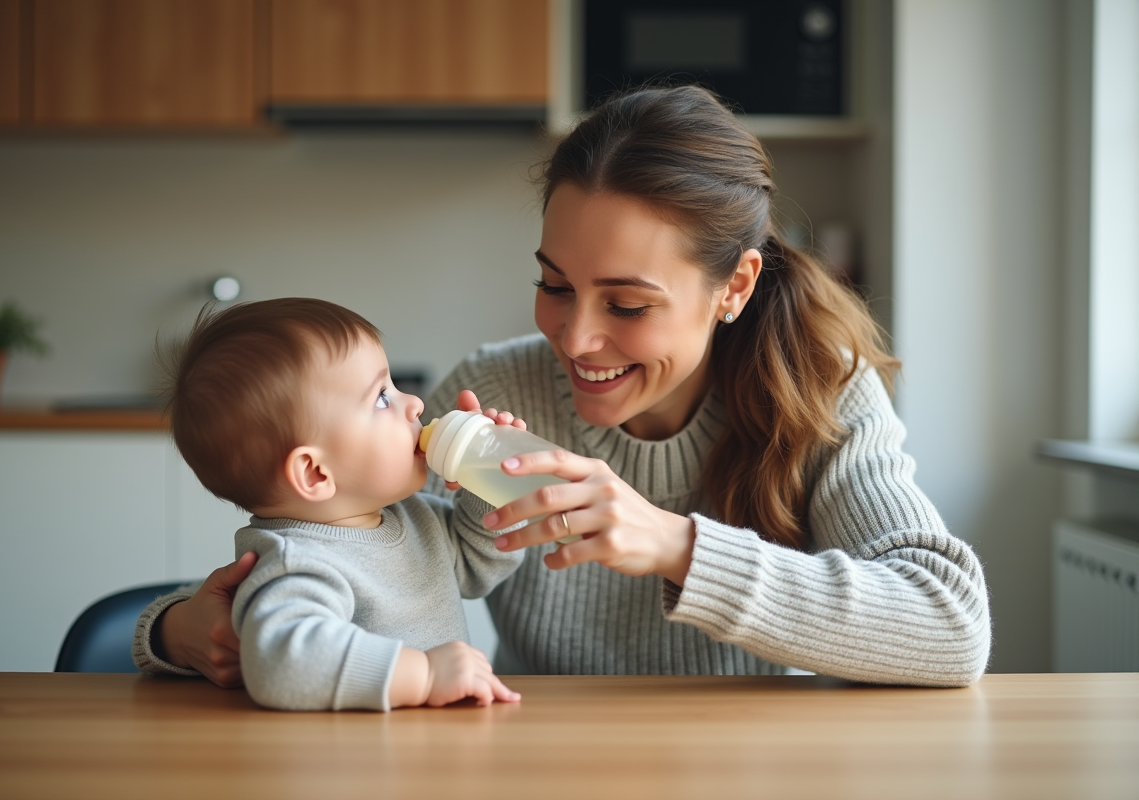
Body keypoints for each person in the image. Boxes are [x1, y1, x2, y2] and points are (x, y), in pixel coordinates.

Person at [137, 85, 991, 688]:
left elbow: (953, 629)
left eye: (625, 303)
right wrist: (181, 632)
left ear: (733, 288)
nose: (575, 339)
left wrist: (675, 546)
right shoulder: (498, 387)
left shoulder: (822, 398)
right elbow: (340, 559)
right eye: (555, 285)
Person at [133, 298, 524, 711]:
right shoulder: (296, 562)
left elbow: (480, 564)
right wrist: (424, 675)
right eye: (381, 398)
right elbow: (282, 664)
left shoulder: (415, 516)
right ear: (315, 474)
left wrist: (491, 481)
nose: (415, 403)